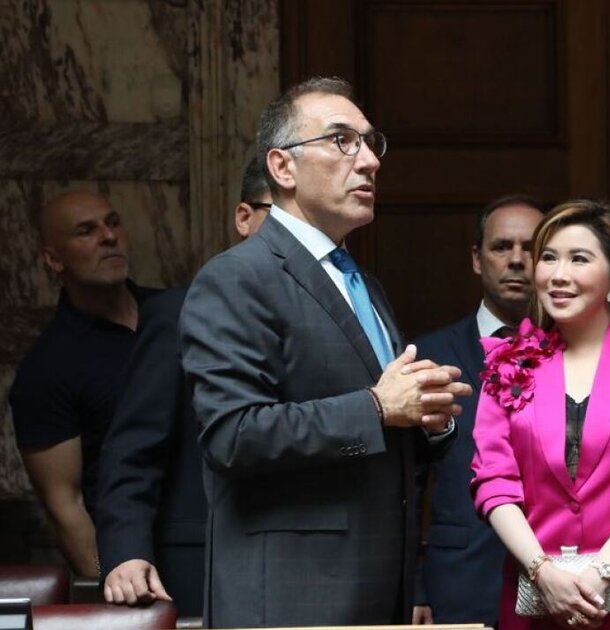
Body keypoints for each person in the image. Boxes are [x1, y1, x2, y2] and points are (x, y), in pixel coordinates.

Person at [179, 76, 471, 628]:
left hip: (375, 588)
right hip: (291, 596)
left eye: (370, 143)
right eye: (342, 141)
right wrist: (378, 407)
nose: (370, 161)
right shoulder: (237, 277)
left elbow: (383, 432)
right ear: (283, 167)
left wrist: (426, 420)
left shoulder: (362, 283)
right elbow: (233, 435)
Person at [471, 200, 610, 629]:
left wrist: (601, 573)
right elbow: (493, 481)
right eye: (549, 258)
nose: (558, 274)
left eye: (579, 258)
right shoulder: (509, 363)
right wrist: (542, 572)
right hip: (536, 600)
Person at [95, 158, 273, 617]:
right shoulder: (180, 312)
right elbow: (133, 447)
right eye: (281, 219)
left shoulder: (344, 308)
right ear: (244, 218)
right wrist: (126, 549)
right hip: (201, 559)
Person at [9, 190, 158, 578]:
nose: (108, 237)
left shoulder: (177, 314)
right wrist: (114, 587)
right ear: (53, 259)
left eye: (113, 223)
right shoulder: (47, 370)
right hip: (135, 560)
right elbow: (66, 508)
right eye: (85, 231)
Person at [411, 194, 544, 626]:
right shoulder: (430, 355)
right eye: (502, 247)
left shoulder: (577, 353)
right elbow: (407, 481)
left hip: (558, 578)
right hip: (459, 581)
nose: (517, 260)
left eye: (532, 249)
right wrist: (415, 585)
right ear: (476, 258)